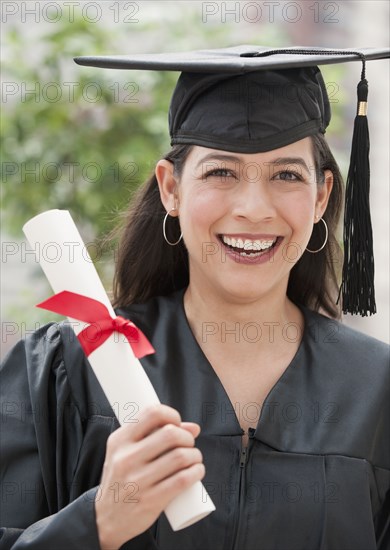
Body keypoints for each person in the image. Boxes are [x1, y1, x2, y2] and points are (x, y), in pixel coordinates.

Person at [1, 46, 389, 550]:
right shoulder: (66, 369)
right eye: (221, 172)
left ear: (321, 196)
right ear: (171, 189)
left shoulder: (376, 389)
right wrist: (97, 523)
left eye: (287, 174)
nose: (253, 208)